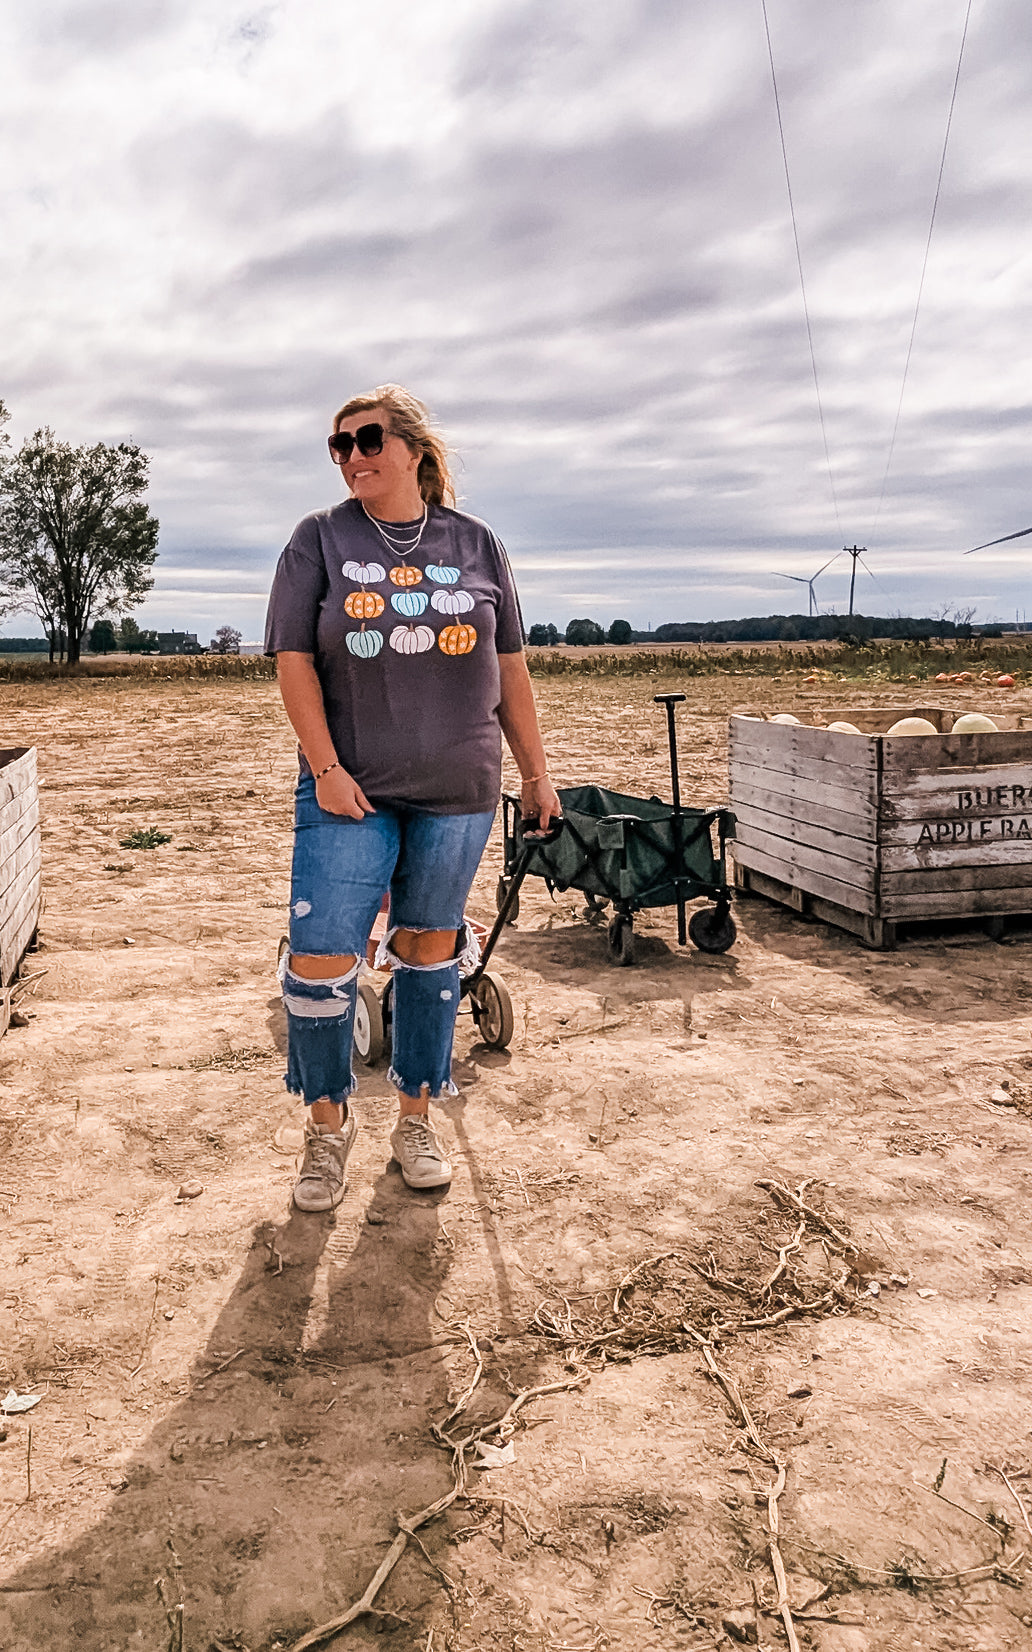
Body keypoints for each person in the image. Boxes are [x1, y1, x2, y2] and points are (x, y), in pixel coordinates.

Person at [265, 384, 561, 1212]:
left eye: (365, 440)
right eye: (338, 445)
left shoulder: (478, 544)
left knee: (430, 956)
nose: (350, 456)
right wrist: (325, 768)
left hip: (457, 790)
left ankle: (415, 1119)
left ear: (414, 452)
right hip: (348, 791)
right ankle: (326, 1132)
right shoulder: (318, 540)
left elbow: (509, 669)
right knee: (322, 959)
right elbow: (293, 661)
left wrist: (536, 773)